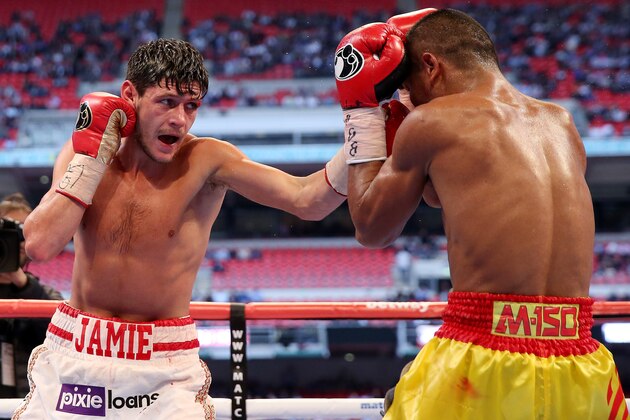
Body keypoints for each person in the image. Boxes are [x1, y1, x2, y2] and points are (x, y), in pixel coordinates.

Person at [17, 38, 347, 419]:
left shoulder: (206, 159)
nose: (180, 119)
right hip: (77, 349)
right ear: (130, 95)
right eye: (167, 102)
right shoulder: (84, 152)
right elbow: (40, 245)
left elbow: (308, 199)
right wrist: (92, 161)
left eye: (191, 107)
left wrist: (365, 130)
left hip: (162, 367)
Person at [335, 8, 629, 419]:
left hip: (482, 354)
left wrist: (362, 116)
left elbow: (370, 227)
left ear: (431, 66)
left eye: (407, 87)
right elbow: (455, 194)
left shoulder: (431, 120)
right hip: (582, 362)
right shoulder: (560, 123)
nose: (407, 98)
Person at [0, 193, 63, 399]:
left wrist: (24, 284)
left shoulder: (43, 293)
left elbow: (60, 337)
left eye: (23, 231)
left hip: (22, 401)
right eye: (9, 231)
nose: (17, 239)